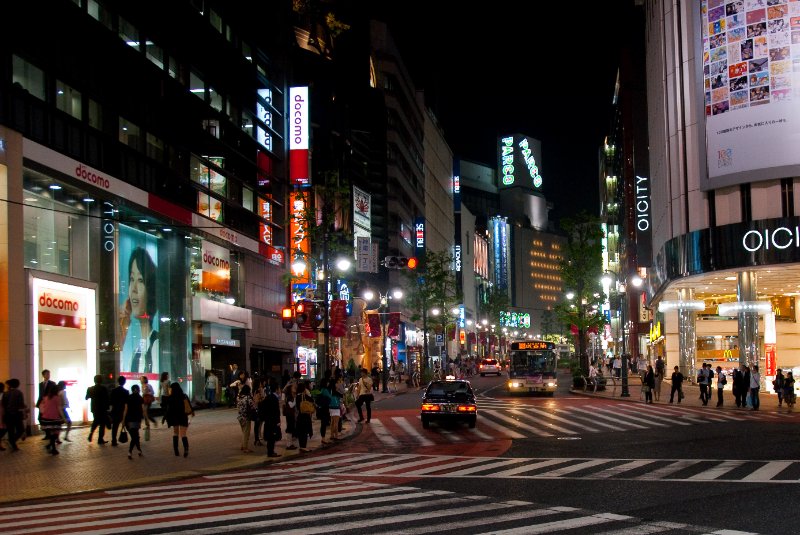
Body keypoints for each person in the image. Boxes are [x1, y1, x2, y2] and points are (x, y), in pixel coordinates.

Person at [119, 247, 159, 374]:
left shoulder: (156, 345)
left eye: (140, 280)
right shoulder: (136, 352)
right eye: (131, 279)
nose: (134, 289)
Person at [165, 382, 192, 457]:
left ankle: (176, 450)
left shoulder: (170, 398)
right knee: (183, 434)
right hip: (183, 416)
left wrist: (166, 418)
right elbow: (189, 406)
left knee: (175, 433)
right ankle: (186, 449)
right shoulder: (184, 396)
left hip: (174, 417)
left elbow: (168, 410)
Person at [38, 383, 64, 455]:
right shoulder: (57, 398)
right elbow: (59, 408)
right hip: (54, 418)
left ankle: (51, 447)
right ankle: (52, 448)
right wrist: (63, 417)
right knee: (56, 433)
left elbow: (41, 406)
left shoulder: (46, 397)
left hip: (46, 418)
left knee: (52, 433)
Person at [122, 383, 144, 459]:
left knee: (135, 436)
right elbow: (143, 410)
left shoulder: (128, 398)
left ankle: (138, 450)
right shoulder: (140, 398)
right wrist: (146, 420)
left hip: (129, 420)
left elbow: (125, 410)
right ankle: (130, 452)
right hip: (137, 420)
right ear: (137, 390)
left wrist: (123, 420)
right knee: (135, 437)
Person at [86, 374, 109, 444]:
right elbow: (107, 398)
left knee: (96, 420)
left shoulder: (90, 388)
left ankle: (91, 433)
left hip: (94, 408)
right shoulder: (104, 388)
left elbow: (86, 397)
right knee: (102, 423)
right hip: (102, 408)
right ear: (101, 380)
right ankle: (100, 439)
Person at [263, 377, 282, 458]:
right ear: (277, 389)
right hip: (273, 420)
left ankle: (270, 452)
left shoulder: (268, 396)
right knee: (272, 437)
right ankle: (271, 452)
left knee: (270, 437)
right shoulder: (274, 398)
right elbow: (276, 411)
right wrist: (278, 421)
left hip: (268, 420)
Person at [109, 376, 130, 447]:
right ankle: (135, 438)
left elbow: (111, 402)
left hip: (115, 410)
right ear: (124, 382)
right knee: (127, 425)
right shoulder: (126, 392)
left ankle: (113, 441)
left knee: (115, 426)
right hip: (123, 411)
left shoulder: (113, 391)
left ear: (118, 382)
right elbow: (127, 403)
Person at [294, 381, 315, 452]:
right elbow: (312, 400)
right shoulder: (305, 396)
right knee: (305, 431)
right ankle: (304, 446)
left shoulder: (296, 397)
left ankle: (301, 446)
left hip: (299, 416)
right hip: (305, 416)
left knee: (300, 432)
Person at [36, 369, 56, 442]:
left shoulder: (52, 383)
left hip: (49, 403)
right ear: (43, 375)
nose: (48, 375)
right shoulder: (41, 384)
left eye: (49, 374)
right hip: (42, 403)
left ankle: (50, 434)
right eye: (47, 374)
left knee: (47, 419)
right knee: (41, 418)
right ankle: (47, 433)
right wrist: (38, 403)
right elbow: (40, 395)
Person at [236, 384, 256, 453]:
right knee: (246, 433)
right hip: (246, 417)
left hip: (240, 417)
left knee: (243, 432)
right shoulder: (248, 398)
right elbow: (253, 406)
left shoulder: (239, 397)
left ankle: (242, 445)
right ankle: (245, 447)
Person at [282, 376, 299, 450]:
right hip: (289, 414)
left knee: (291, 428)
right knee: (289, 429)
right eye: (293, 387)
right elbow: (291, 405)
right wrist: (295, 399)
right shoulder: (289, 396)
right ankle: (288, 444)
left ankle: (290, 443)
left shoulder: (291, 395)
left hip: (291, 414)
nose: (295, 388)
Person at [316, 378, 332, 444]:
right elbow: (330, 398)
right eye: (327, 382)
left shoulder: (320, 389)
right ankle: (323, 438)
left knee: (323, 423)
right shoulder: (325, 390)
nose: (328, 383)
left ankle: (323, 438)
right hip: (325, 409)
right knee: (324, 424)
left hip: (320, 408)